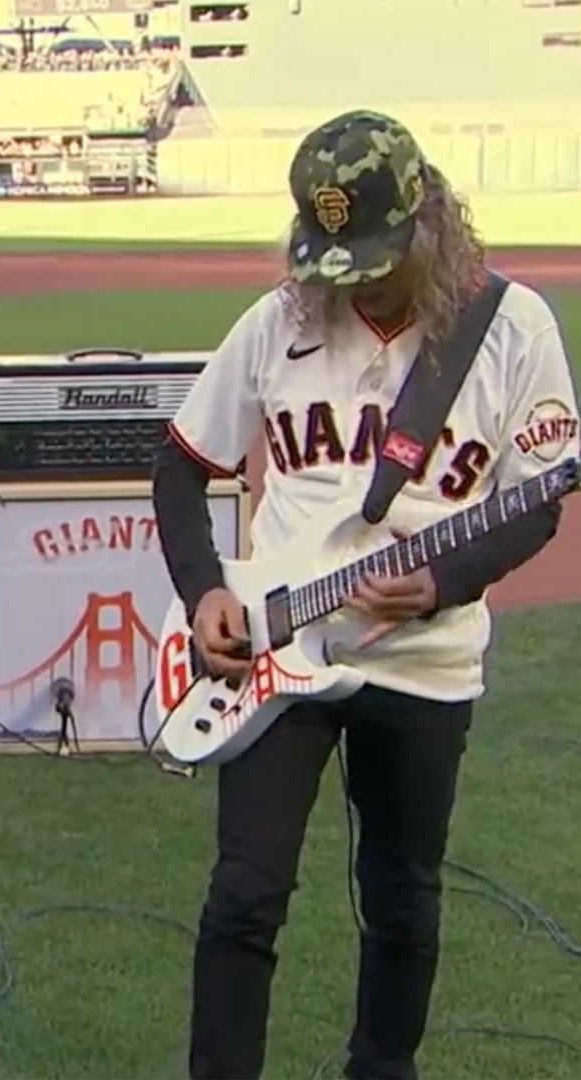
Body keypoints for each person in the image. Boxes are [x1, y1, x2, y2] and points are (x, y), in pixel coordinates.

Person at [151, 109, 578, 1079]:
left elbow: (537, 501)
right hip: (271, 649)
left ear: (428, 218)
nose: (352, 283)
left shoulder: (511, 329)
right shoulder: (280, 320)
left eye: (373, 259)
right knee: (244, 894)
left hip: (424, 666)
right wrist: (204, 592)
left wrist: (441, 580)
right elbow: (180, 467)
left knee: (402, 898)